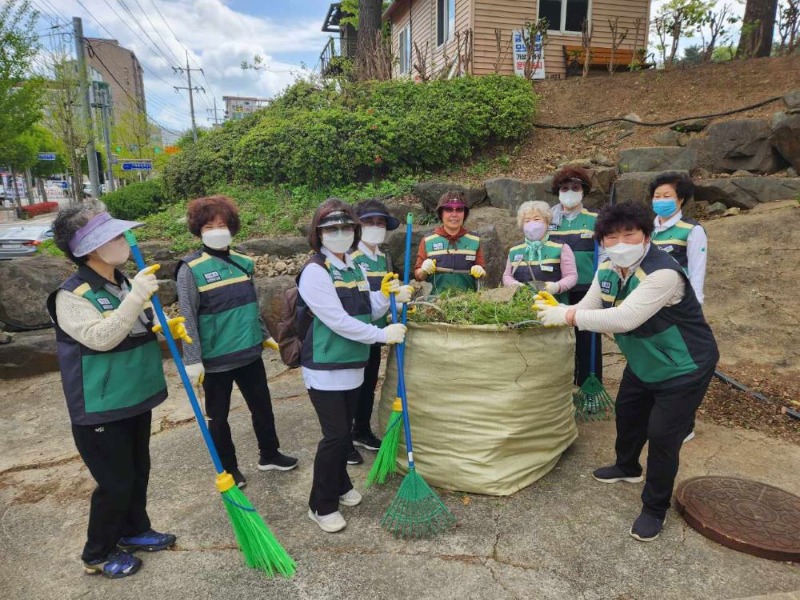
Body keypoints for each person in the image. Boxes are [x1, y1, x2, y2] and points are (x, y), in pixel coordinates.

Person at [535, 200, 719, 542]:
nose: (620, 243)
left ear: (646, 235)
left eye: (629, 234)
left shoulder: (662, 274)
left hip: (683, 366)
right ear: (601, 240)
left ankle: (654, 508)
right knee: (629, 413)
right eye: (611, 236)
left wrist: (568, 317)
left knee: (663, 435)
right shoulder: (607, 269)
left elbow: (624, 318)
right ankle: (627, 466)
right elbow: (587, 307)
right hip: (643, 360)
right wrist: (559, 307)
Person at [47, 203, 182, 578]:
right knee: (116, 482)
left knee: (138, 471)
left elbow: (135, 327)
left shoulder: (120, 281)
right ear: (89, 249)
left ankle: (135, 530)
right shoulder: (71, 295)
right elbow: (100, 338)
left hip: (135, 396)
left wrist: (165, 326)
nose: (124, 241)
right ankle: (98, 553)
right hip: (100, 406)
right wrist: (136, 297)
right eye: (115, 236)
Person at [298, 198, 411, 533]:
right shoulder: (315, 271)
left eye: (346, 227)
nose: (340, 233)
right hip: (326, 367)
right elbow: (338, 321)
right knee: (334, 438)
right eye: (331, 229)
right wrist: (382, 335)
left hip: (352, 366)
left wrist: (387, 297)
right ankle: (320, 504)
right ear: (318, 234)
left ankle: (342, 485)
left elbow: (366, 309)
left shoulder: (354, 267)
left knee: (343, 432)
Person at [175, 195, 297, 491]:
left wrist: (264, 335)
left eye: (222, 224)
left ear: (232, 228)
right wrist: (192, 359)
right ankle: (229, 467)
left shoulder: (244, 263)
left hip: (249, 353)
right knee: (218, 418)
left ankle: (269, 454)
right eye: (209, 225)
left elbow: (251, 306)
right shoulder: (190, 269)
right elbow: (188, 316)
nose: (217, 229)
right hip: (215, 361)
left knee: (263, 407)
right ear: (198, 230)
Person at [650, 172, 708, 443]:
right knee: (657, 359)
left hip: (680, 308)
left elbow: (697, 272)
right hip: (650, 305)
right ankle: (661, 413)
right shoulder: (647, 229)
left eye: (667, 196)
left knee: (682, 364)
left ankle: (686, 424)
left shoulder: (692, 230)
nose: (660, 201)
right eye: (656, 196)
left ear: (681, 199)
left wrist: (694, 308)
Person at [347, 199, 401, 466]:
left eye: (380, 223)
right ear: (357, 227)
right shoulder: (349, 257)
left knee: (368, 384)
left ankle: (361, 431)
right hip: (355, 332)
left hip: (377, 331)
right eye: (369, 222)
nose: (376, 227)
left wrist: (398, 304)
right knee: (351, 387)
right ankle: (343, 440)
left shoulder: (383, 256)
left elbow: (386, 292)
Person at [546, 166, 603, 386]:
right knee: (559, 339)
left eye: (575, 187)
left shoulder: (596, 220)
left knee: (588, 338)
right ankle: (562, 388)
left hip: (586, 287)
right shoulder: (549, 220)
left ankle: (589, 385)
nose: (570, 192)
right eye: (565, 188)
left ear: (584, 191)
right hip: (557, 288)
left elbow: (606, 253)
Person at [502, 200, 577, 302]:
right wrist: (514, 285)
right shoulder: (515, 251)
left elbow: (571, 276)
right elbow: (507, 276)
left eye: (536, 219)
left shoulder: (561, 248)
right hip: (521, 306)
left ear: (546, 221)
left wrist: (556, 287)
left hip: (554, 305)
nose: (532, 224)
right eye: (527, 220)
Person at [414, 192, 486, 294]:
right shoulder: (428, 240)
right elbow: (418, 276)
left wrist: (481, 271)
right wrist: (423, 270)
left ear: (464, 213)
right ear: (441, 213)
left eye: (459, 209)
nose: (454, 214)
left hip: (468, 304)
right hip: (434, 303)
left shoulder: (474, 240)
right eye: (448, 209)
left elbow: (483, 274)